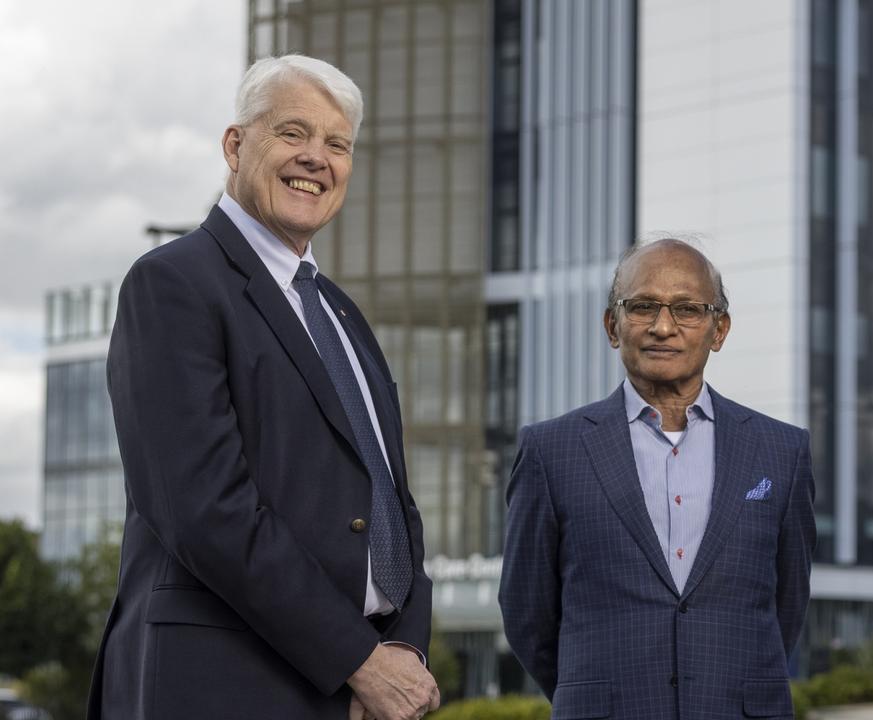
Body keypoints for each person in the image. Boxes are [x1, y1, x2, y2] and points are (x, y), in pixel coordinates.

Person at [89, 55, 440, 720]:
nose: (317, 158)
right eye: (292, 133)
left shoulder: (342, 314)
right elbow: (205, 510)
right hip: (223, 684)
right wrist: (358, 661)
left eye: (337, 144)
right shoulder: (174, 285)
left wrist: (405, 657)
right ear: (235, 144)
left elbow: (394, 504)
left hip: (356, 694)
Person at [499, 238, 816, 719]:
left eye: (688, 309)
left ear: (719, 329)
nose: (663, 326)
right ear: (613, 324)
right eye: (643, 306)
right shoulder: (551, 451)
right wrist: (588, 692)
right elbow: (527, 613)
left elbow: (786, 605)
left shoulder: (782, 451)